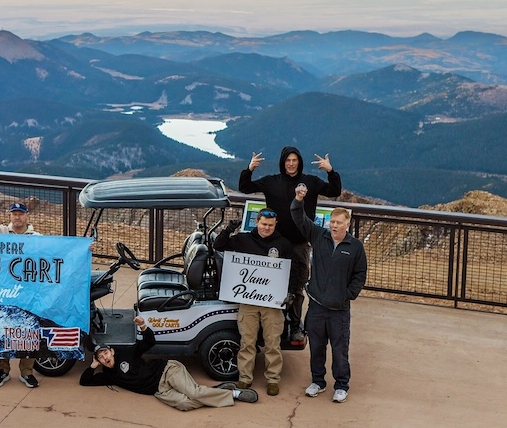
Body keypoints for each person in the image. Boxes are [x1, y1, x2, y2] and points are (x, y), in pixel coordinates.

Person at [238, 146, 342, 343]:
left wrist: (330, 171)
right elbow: (245, 187)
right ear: (283, 162)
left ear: (299, 162)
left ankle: (295, 326)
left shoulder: (310, 182)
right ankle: (271, 324)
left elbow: (334, 191)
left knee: (297, 287)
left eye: (294, 160)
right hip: (274, 244)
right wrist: (249, 169)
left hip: (300, 244)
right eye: (288, 160)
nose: (291, 164)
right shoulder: (271, 181)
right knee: (271, 284)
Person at [79, 316, 258, 410]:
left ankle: (234, 394)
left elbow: (149, 343)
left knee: (193, 393)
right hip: (159, 390)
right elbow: (85, 381)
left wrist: (143, 326)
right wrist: (93, 364)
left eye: (105, 353)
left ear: (112, 350)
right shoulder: (109, 376)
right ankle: (218, 391)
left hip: (167, 371)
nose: (105, 358)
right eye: (101, 358)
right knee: (185, 404)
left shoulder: (127, 352)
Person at [292, 185, 367, 403]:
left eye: (339, 222)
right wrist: (298, 200)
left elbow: (360, 274)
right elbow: (299, 217)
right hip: (316, 307)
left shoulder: (355, 247)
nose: (334, 226)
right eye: (332, 222)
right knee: (316, 347)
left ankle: (341, 385)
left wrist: (348, 294)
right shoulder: (319, 236)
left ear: (347, 224)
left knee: (340, 349)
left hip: (339, 310)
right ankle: (318, 382)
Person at [213, 208, 293, 397]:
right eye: (264, 224)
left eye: (270, 225)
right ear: (256, 222)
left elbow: (293, 270)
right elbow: (218, 245)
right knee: (247, 342)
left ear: (275, 225)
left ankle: (273, 380)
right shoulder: (243, 240)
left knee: (273, 343)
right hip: (248, 300)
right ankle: (245, 378)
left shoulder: (283, 243)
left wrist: (290, 292)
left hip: (272, 302)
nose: (266, 228)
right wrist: (228, 230)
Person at [0, 190, 40, 388]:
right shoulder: (1, 232)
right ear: (10, 216)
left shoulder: (37, 237)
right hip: (4, 290)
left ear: (27, 216)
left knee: (28, 330)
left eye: (21, 214)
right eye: (14, 214)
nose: (17, 217)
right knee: (1, 329)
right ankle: (3, 370)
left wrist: (82, 248)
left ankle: (27, 371)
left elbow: (58, 252)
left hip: (28, 290)